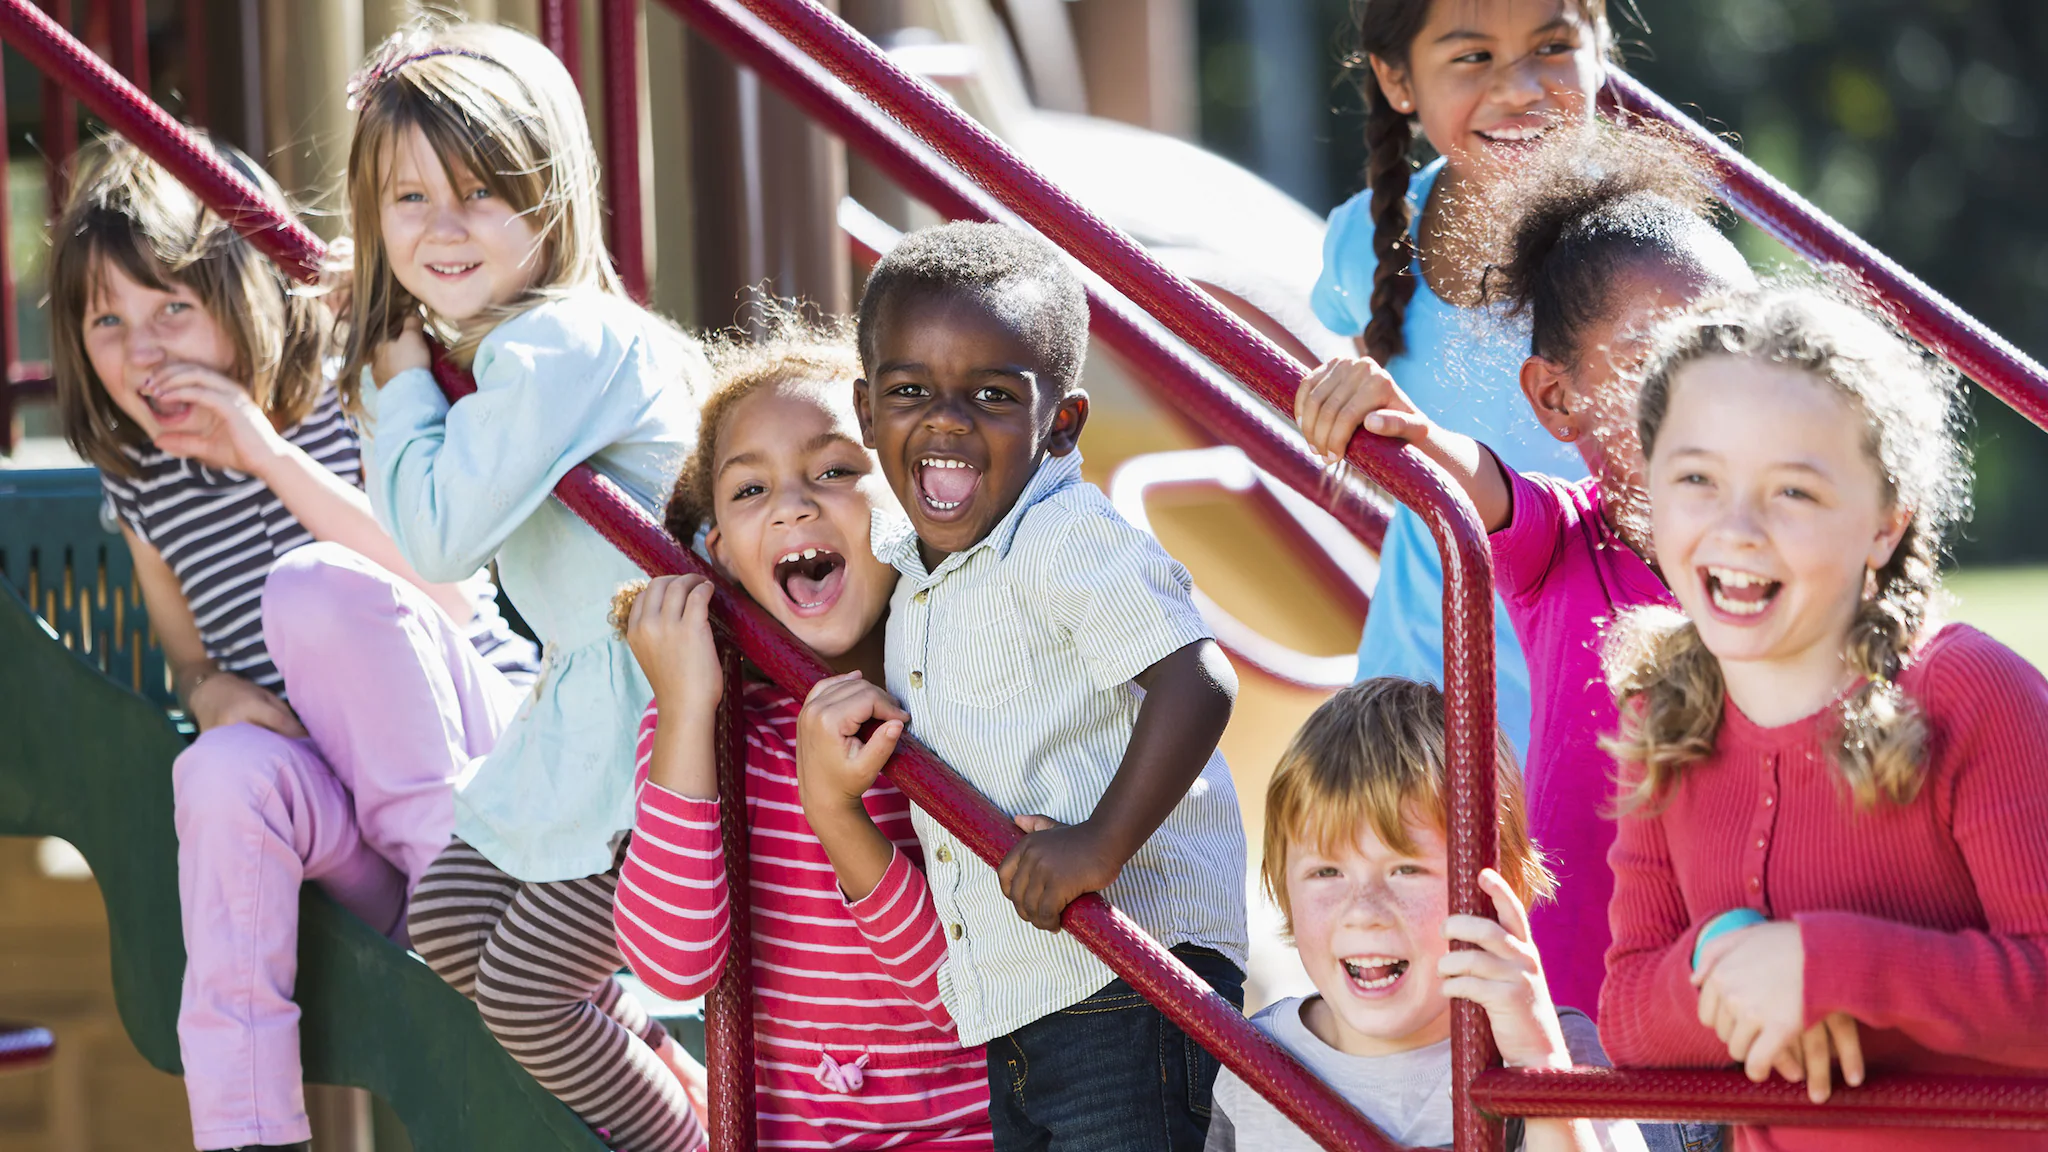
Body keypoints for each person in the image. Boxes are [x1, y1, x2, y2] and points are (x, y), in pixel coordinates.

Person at [50, 135, 537, 1152]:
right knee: (220, 769)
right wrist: (209, 691)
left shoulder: (350, 390)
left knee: (312, 588)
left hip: (482, 790)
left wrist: (268, 460)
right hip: (351, 826)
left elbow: (443, 590)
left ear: (241, 293)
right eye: (109, 321)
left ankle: (470, 939)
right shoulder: (141, 483)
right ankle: (250, 1135)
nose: (143, 349)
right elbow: (190, 656)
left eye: (172, 307)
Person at [799, 221, 1249, 1151]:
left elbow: (1197, 678)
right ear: (868, 407)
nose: (947, 419)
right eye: (910, 390)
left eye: (994, 396)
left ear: (1062, 425)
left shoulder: (1061, 537)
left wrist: (1099, 843)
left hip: (1131, 974)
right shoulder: (914, 561)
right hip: (1025, 990)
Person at [342, 20, 708, 1151]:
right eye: (409, 202)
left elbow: (437, 533)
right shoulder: (526, 342)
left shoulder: (564, 345)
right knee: (451, 923)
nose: (443, 229)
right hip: (588, 701)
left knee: (528, 991)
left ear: (552, 198)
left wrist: (401, 386)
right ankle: (686, 1090)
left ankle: (685, 1142)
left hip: (660, 712)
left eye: (482, 195)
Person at [1294, 124, 1755, 1021]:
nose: (1710, 389)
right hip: (1587, 1020)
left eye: (1735, 348)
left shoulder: (1772, 557)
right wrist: (1411, 432)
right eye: (1658, 359)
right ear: (1555, 399)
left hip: (1738, 1005)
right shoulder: (1568, 538)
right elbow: (1483, 487)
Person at [1598, 285, 2048, 1149]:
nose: (1737, 528)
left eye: (1794, 493)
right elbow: (1627, 1014)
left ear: (1885, 526)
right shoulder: (1663, 716)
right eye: (1697, 479)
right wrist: (1727, 956)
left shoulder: (1974, 694)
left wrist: (1827, 967)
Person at [609, 317, 993, 1148]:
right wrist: (683, 715)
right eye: (750, 490)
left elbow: (962, 995)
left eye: (835, 470)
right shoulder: (709, 731)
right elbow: (671, 967)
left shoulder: (961, 706)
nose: (791, 504)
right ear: (718, 555)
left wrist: (837, 813)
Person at [1317, 0, 1618, 755]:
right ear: (1398, 79)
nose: (1519, 88)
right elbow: (1389, 431)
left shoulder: (1645, 253)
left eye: (1552, 45)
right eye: (1473, 57)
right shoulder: (1366, 239)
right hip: (1422, 684)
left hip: (1599, 685)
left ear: (1598, 46)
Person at [1205, 677, 1643, 1152]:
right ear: (1282, 884)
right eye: (1327, 871)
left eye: (1406, 870)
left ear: (1499, 890)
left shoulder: (1555, 1048)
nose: (1364, 912)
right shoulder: (1253, 1062)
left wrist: (1538, 1063)